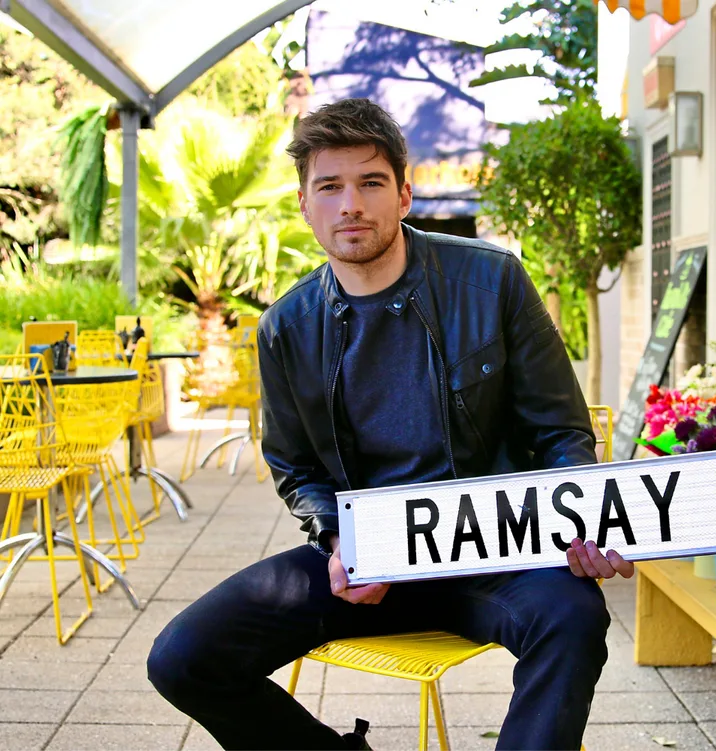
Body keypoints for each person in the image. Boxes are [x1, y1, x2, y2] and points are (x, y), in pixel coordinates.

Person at [147, 97, 634, 751]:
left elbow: (560, 431)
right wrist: (339, 541)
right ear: (304, 204)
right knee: (182, 656)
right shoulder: (286, 328)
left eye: (371, 182)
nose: (351, 204)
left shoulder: (493, 282)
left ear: (404, 194)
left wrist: (578, 519)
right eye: (331, 186)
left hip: (497, 551)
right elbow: (296, 467)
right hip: (372, 555)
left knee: (573, 618)